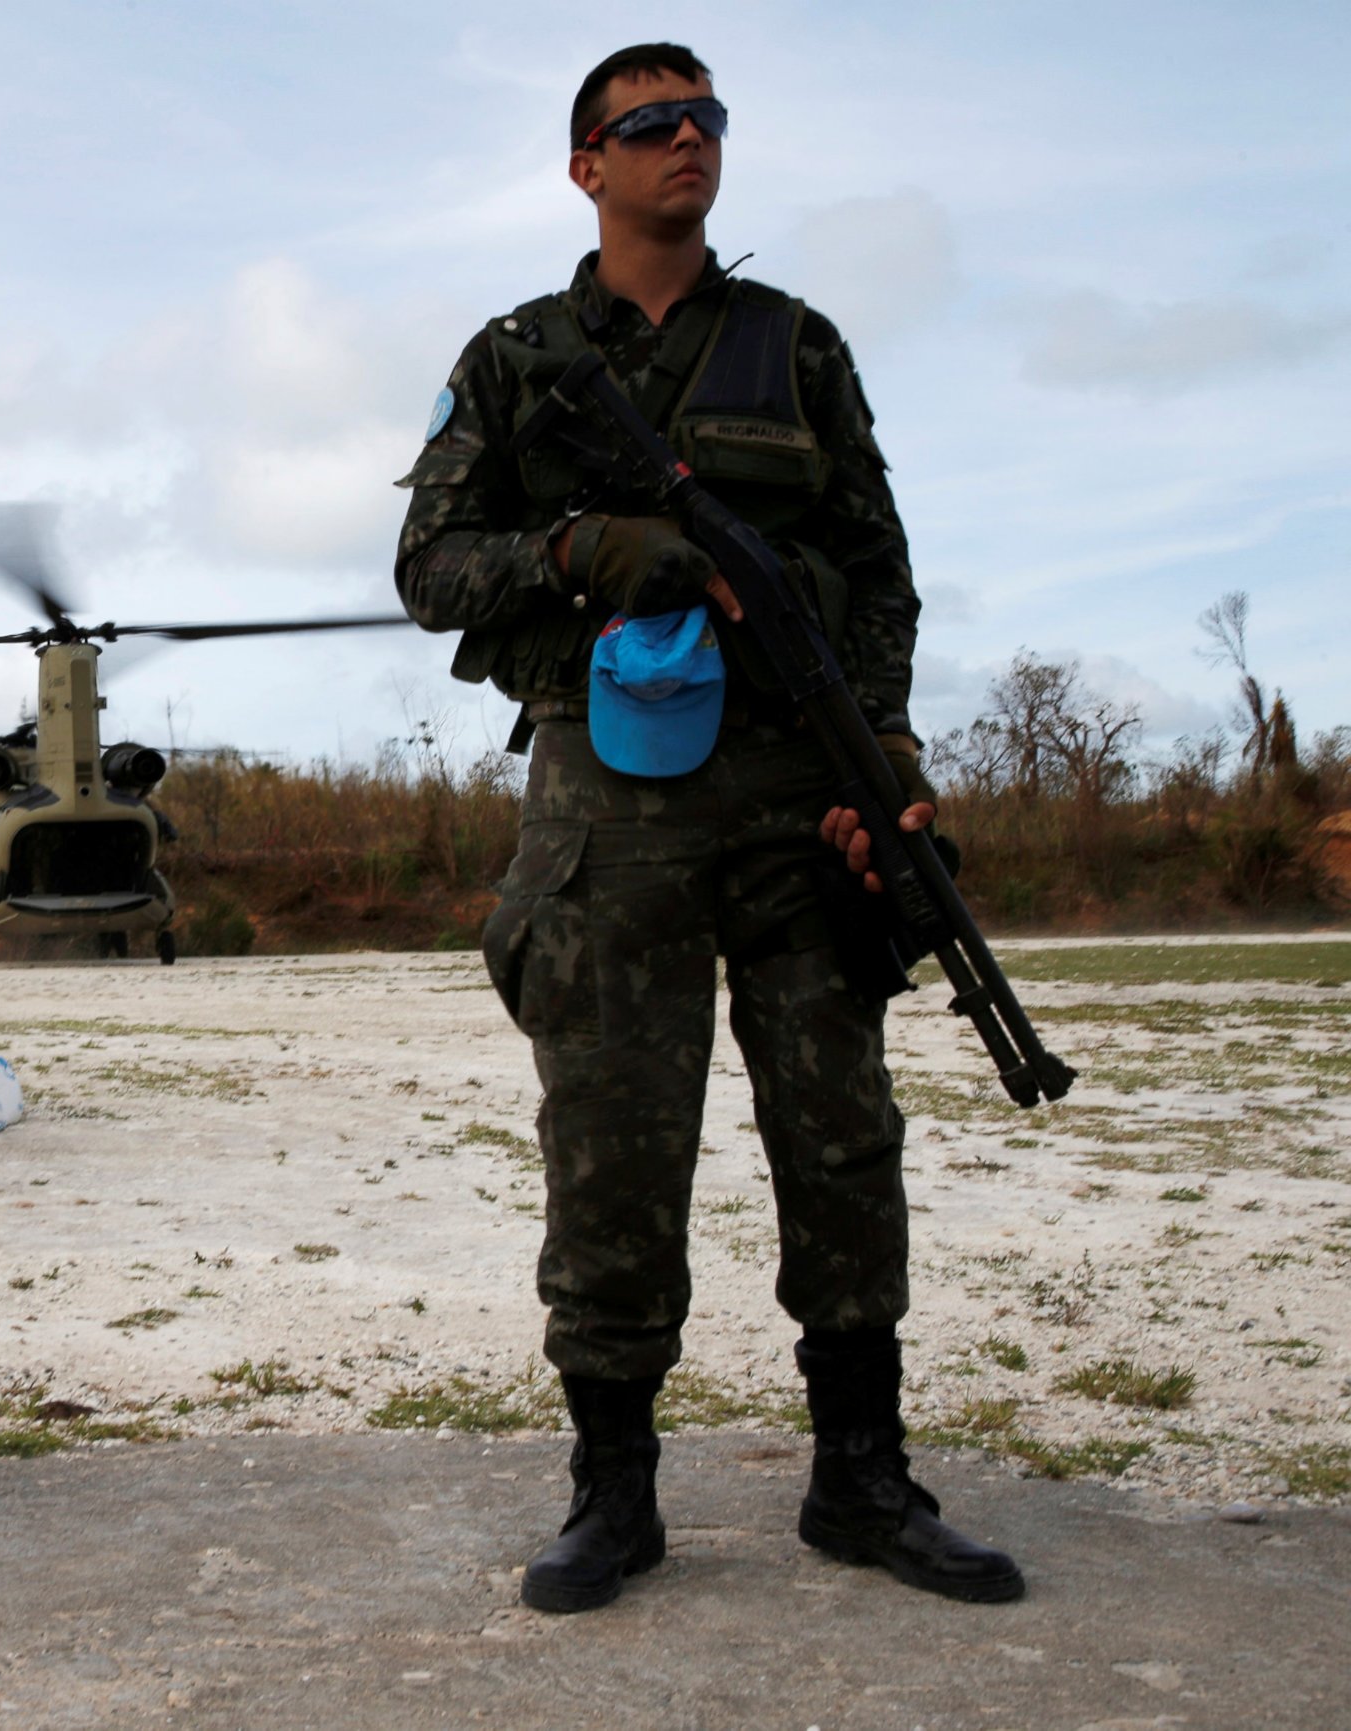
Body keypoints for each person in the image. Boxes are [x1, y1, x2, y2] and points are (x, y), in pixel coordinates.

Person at [392, 46, 1022, 1612]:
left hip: (802, 798)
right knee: (611, 1151)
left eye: (708, 121)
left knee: (841, 1140)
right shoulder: (519, 359)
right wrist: (581, 547)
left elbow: (876, 576)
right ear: (585, 166)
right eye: (650, 124)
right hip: (609, 806)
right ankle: (615, 1498)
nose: (689, 143)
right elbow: (430, 568)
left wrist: (883, 752)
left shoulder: (796, 347)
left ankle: (862, 1486)